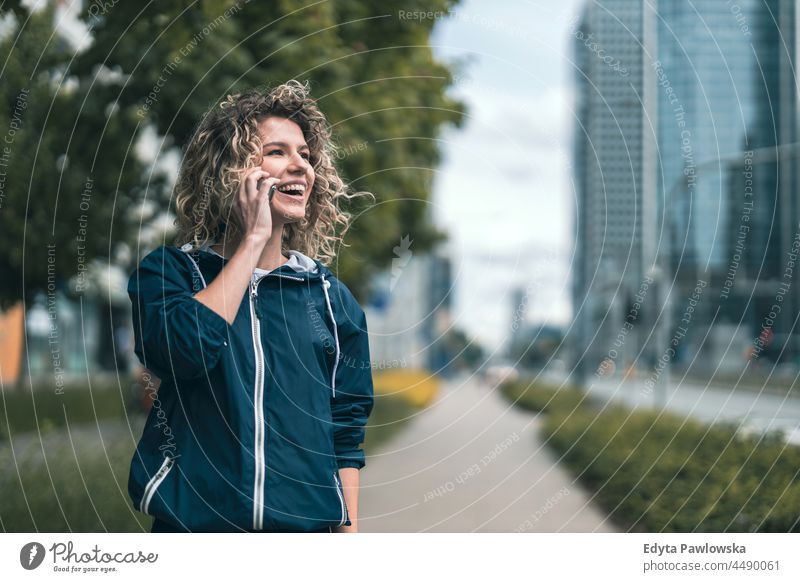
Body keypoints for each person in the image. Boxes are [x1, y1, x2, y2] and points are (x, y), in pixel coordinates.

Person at [127, 80, 375, 533]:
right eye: (277, 152)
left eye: (305, 154)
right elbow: (182, 352)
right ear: (230, 172)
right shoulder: (173, 274)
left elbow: (345, 430)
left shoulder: (330, 299)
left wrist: (348, 535)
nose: (300, 165)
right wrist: (253, 241)